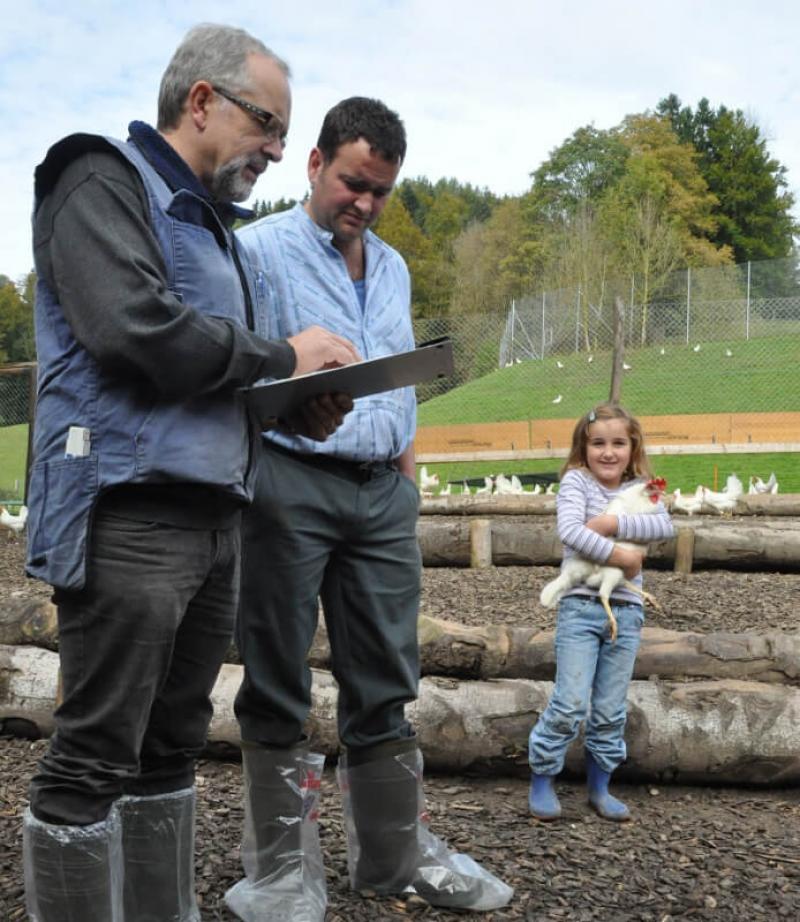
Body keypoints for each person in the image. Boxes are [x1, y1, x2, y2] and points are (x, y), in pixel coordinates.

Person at [22, 23, 359, 922]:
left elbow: (216, 381)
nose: (279, 151)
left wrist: (294, 400)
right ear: (201, 100)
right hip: (128, 511)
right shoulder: (98, 179)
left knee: (172, 746)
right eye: (267, 123)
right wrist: (281, 357)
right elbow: (133, 329)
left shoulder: (212, 230)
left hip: (214, 518)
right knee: (93, 755)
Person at [227, 97, 513, 921]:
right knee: (278, 670)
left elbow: (398, 382)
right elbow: (231, 375)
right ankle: (280, 870)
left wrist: (410, 481)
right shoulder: (256, 252)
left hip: (382, 488)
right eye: (354, 182)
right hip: (288, 479)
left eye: (382, 190)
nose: (365, 203)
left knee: (388, 671)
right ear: (315, 165)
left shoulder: (391, 265)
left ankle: (392, 856)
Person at [528, 403, 674, 823]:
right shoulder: (577, 482)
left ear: (632, 447)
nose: (608, 452)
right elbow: (571, 531)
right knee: (571, 700)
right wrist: (624, 559)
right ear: (584, 447)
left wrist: (610, 524)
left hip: (625, 612)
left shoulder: (644, 487)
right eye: (598, 443)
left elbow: (663, 527)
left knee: (610, 708)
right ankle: (542, 777)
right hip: (579, 605)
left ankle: (600, 787)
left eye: (618, 443)